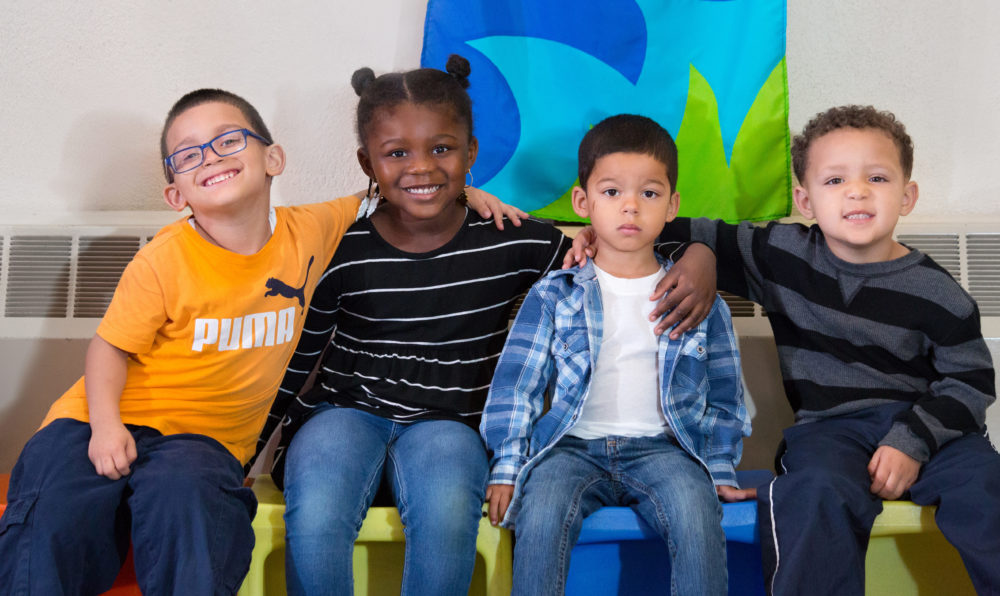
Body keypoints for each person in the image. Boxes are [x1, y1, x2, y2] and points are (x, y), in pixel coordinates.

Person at [0, 87, 514, 595]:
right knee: (53, 513)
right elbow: (108, 348)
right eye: (188, 154)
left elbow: (398, 186)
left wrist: (468, 192)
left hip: (204, 442)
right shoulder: (163, 258)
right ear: (176, 194)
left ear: (273, 158)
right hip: (95, 418)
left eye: (228, 141)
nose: (210, 158)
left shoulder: (313, 228)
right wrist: (106, 428)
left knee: (193, 511)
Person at [267, 59, 720, 596]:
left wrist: (698, 256)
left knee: (447, 517)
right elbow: (296, 360)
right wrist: (245, 455)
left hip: (449, 425)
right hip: (344, 414)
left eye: (441, 149)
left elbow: (622, 245)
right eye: (396, 154)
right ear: (367, 162)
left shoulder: (510, 238)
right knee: (316, 516)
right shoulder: (341, 247)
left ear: (471, 154)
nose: (422, 168)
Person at [574, 105, 1000, 594]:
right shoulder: (781, 252)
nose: (857, 191)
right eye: (835, 180)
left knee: (987, 488)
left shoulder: (938, 292)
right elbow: (665, 222)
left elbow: (970, 381)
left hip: (929, 430)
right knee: (813, 492)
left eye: (877, 178)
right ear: (805, 200)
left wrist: (912, 440)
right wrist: (609, 235)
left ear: (907, 196)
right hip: (831, 431)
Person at [480, 114, 752, 596]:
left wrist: (719, 467)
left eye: (648, 193)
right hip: (570, 450)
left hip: (664, 449)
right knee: (540, 513)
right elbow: (516, 387)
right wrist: (507, 467)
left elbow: (725, 396)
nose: (630, 206)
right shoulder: (555, 295)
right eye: (611, 193)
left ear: (673, 206)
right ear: (582, 203)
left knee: (696, 513)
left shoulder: (695, 297)